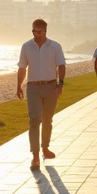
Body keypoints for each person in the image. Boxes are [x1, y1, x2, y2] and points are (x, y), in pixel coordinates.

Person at [17, 18, 66, 171]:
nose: (36, 34)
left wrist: (60, 84)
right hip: (33, 87)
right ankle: (35, 155)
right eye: (34, 31)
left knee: (47, 120)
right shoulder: (26, 46)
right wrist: (19, 86)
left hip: (51, 86)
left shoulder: (55, 46)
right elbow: (22, 68)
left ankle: (45, 148)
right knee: (34, 120)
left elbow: (61, 65)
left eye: (39, 32)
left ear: (45, 31)